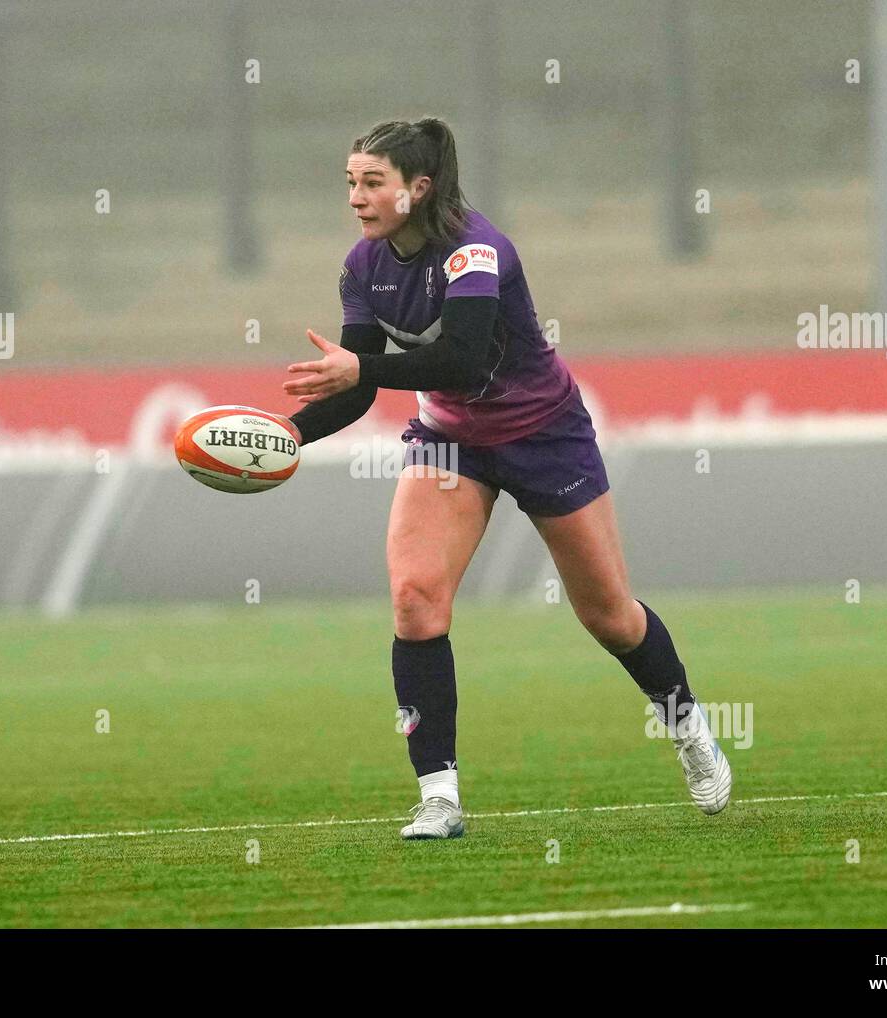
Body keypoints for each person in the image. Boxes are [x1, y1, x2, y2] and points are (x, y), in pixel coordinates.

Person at [280, 117, 731, 840]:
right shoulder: (363, 266)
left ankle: (686, 727)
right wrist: (289, 437)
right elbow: (360, 387)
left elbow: (458, 361)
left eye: (373, 183)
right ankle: (439, 797)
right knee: (415, 599)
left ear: (417, 188)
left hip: (544, 437)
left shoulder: (475, 253)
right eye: (351, 183)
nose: (357, 198)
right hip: (452, 443)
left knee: (609, 616)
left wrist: (362, 367)